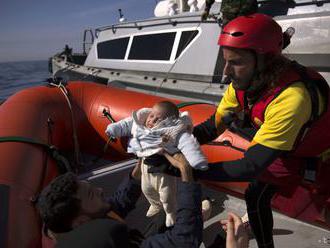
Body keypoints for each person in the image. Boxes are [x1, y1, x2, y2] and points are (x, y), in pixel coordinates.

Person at [186, 13, 330, 248]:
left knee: (318, 203)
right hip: (290, 149)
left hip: (318, 157)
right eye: (225, 61)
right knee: (256, 195)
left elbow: (250, 166)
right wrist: (178, 144)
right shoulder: (245, 83)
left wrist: (188, 171)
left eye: (236, 63)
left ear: (267, 60)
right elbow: (213, 126)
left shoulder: (293, 97)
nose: (226, 72)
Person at [36, 154, 203, 248]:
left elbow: (118, 203)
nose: (100, 190)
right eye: (91, 194)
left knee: (165, 217)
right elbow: (185, 241)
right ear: (80, 223)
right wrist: (186, 172)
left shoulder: (83, 219)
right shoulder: (106, 243)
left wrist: (137, 173)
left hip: (136, 240)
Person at [105, 101, 208, 227]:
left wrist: (196, 160)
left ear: (167, 122)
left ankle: (170, 212)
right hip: (145, 166)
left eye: (157, 119)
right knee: (146, 189)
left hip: (163, 171)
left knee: (167, 195)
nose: (151, 120)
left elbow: (187, 144)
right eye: (151, 116)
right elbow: (126, 124)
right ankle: (155, 204)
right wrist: (113, 129)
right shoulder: (140, 122)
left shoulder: (172, 131)